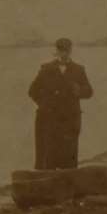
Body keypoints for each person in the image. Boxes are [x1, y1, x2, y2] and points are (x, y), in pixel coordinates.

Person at [28, 37, 93, 169]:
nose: (64, 54)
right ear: (56, 51)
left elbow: (89, 92)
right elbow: (32, 91)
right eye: (61, 50)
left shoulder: (79, 69)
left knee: (69, 156)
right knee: (48, 156)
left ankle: (67, 181)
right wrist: (44, 104)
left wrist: (79, 91)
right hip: (49, 119)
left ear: (70, 51)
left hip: (70, 119)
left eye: (67, 51)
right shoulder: (46, 69)